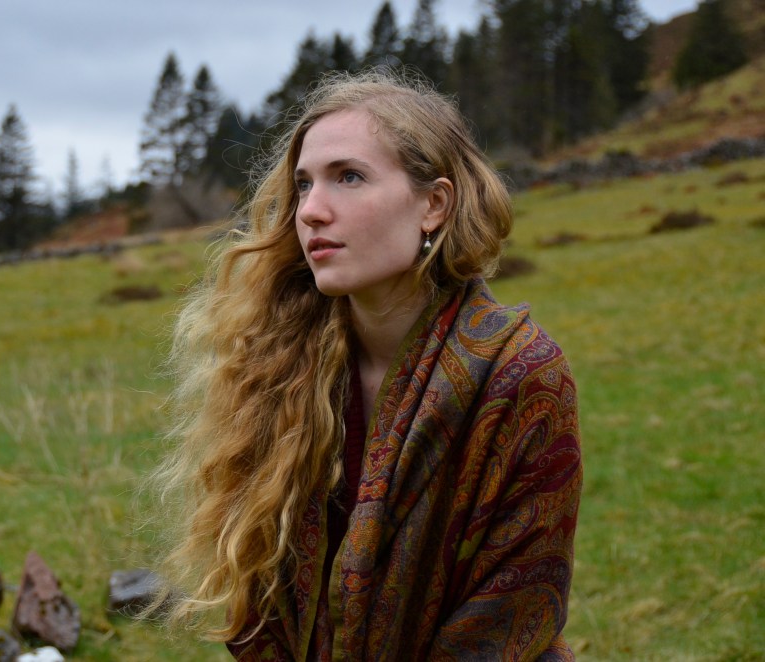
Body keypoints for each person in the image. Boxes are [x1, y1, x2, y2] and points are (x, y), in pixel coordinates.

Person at [152, 68, 583, 661]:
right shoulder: (282, 366)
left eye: (348, 177)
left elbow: (509, 615)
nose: (311, 212)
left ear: (433, 204)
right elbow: (259, 601)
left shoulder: (521, 375)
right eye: (303, 185)